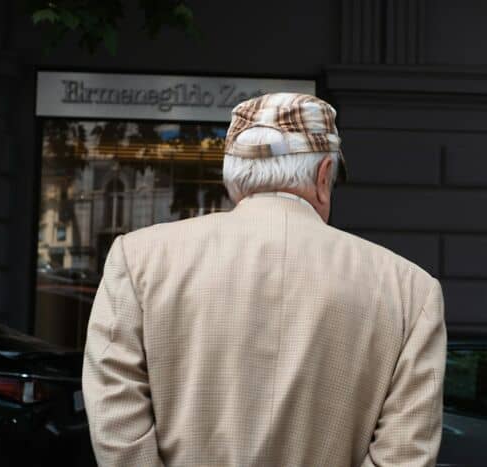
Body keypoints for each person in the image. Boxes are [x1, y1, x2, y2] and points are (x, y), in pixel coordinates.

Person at [82, 93, 447, 467]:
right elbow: (403, 456)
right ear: (324, 175)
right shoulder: (411, 292)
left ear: (232, 176)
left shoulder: (138, 259)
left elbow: (117, 424)